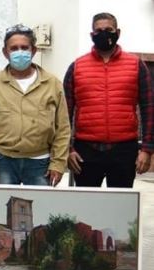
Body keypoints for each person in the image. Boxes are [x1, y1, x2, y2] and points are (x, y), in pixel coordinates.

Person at [0, 24, 71, 270]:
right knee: (5, 224)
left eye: (24, 48)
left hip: (40, 163)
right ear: (5, 52)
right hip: (4, 161)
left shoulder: (51, 83)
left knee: (42, 223)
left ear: (34, 50)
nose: (19, 53)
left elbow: (63, 127)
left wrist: (58, 163)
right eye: (14, 48)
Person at [64, 12, 153, 188]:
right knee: (85, 208)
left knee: (121, 209)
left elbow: (149, 108)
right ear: (92, 35)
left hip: (124, 150)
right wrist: (67, 149)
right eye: (99, 30)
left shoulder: (136, 65)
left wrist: (147, 150)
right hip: (85, 151)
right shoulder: (77, 66)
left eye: (108, 30)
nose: (104, 33)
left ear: (117, 32)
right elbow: (63, 113)